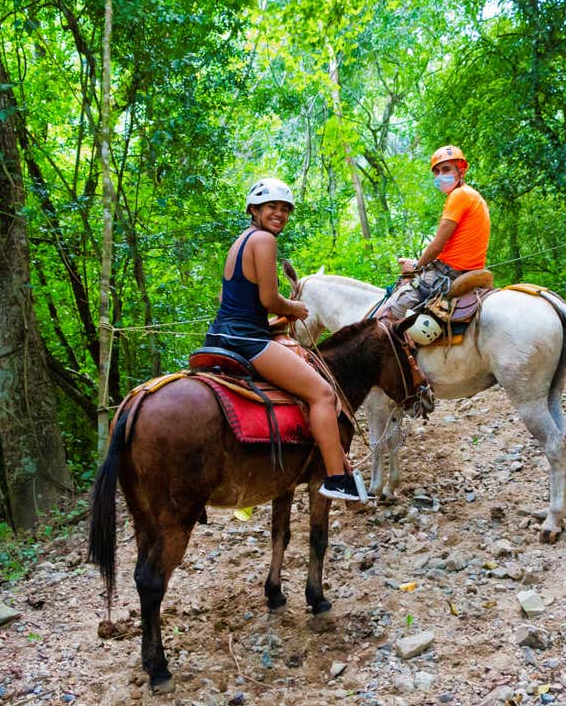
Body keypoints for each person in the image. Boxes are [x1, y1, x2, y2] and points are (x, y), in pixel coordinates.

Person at [204, 177, 363, 502]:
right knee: (321, 393)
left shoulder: (240, 242)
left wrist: (279, 319)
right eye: (271, 207)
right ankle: (337, 478)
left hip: (221, 335)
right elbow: (268, 298)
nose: (279, 214)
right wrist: (294, 308)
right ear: (254, 209)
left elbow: (231, 299)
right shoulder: (264, 240)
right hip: (246, 340)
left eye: (284, 209)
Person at [389, 145, 491, 329]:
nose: (439, 175)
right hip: (469, 271)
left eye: (446, 169)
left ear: (461, 171)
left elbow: (437, 246)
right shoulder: (474, 196)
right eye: (436, 171)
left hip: (449, 273)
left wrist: (415, 268)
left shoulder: (459, 196)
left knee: (391, 312)